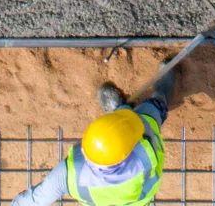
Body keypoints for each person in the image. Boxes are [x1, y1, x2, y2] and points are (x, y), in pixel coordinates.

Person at [11, 79, 169, 206]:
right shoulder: (146, 154)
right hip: (138, 201)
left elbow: (36, 200)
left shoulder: (71, 173)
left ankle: (119, 110)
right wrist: (126, 111)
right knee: (153, 109)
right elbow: (152, 181)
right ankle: (152, 100)